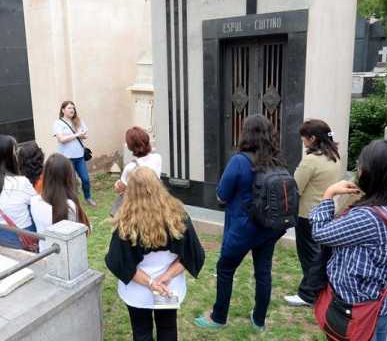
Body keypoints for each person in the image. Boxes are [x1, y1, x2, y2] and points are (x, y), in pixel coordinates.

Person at [309, 139, 387, 341]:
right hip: (385, 300)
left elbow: (320, 232)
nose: (358, 170)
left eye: (360, 166)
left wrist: (329, 194)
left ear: (375, 174)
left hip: (360, 305)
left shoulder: (370, 217)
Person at [194, 115, 287, 331]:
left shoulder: (239, 161)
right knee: (263, 272)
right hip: (268, 229)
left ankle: (218, 318)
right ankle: (259, 320)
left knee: (225, 269)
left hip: (242, 229)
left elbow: (221, 196)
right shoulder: (277, 161)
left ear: (245, 133)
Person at [106, 168, 205, 341]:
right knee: (167, 328)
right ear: (158, 185)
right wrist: (164, 278)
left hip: (138, 291)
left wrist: (152, 283)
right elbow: (191, 254)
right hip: (168, 287)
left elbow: (119, 261)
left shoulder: (125, 223)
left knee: (141, 332)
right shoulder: (178, 216)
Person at [284, 119, 345, 307]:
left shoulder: (311, 160)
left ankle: (308, 295)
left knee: (310, 256)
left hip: (307, 214)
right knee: (319, 254)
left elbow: (296, 188)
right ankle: (320, 290)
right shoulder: (334, 156)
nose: (303, 142)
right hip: (326, 212)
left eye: (304, 139)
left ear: (312, 138)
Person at [0, 135, 38, 250]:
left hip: (1, 236)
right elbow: (37, 204)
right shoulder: (21, 182)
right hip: (25, 236)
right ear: (12, 155)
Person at [30, 154, 91, 251]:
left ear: (45, 175)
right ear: (68, 177)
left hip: (44, 254)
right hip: (67, 257)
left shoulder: (34, 201)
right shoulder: (70, 206)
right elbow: (84, 231)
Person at [111, 126, 162, 216]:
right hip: (156, 203)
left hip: (138, 209)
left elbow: (121, 190)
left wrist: (117, 184)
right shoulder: (157, 158)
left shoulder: (130, 168)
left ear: (130, 147)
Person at [53, 100, 95, 206]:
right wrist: (76, 135)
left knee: (85, 179)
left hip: (80, 156)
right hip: (67, 158)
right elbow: (61, 139)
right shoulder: (58, 123)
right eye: (69, 108)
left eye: (73, 108)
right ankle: (73, 203)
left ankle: (88, 197)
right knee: (71, 182)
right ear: (63, 110)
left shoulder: (78, 121)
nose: (72, 110)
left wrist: (79, 135)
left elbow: (84, 135)